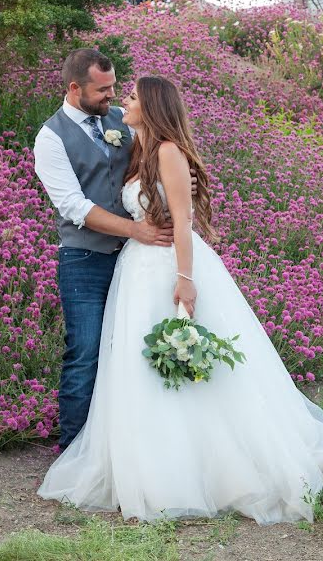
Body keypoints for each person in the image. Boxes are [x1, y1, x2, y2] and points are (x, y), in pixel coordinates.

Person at [37, 75, 323, 524]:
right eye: (116, 93)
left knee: (183, 362)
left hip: (166, 267)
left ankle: (202, 469)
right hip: (134, 268)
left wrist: (185, 279)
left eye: (132, 96)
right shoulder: (135, 145)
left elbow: (183, 222)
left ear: (151, 107)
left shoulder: (167, 152)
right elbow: (85, 200)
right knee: (135, 369)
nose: (122, 102)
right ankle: (139, 466)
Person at [34, 49, 195, 452]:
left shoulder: (122, 121)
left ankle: (130, 449)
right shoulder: (50, 137)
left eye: (115, 87)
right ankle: (74, 452)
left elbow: (161, 155)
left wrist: (179, 185)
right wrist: (136, 229)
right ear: (75, 88)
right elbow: (72, 205)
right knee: (86, 351)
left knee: (130, 350)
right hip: (84, 258)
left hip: (137, 262)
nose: (113, 96)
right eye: (102, 90)